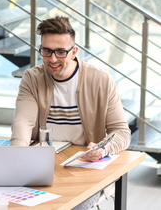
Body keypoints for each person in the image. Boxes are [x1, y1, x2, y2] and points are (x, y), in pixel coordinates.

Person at [10, 16, 131, 209]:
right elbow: (23, 122)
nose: (52, 59)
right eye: (46, 51)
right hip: (44, 162)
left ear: (74, 51)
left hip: (85, 167)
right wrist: (17, 154)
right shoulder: (32, 78)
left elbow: (122, 132)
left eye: (60, 52)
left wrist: (103, 149)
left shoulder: (101, 80)